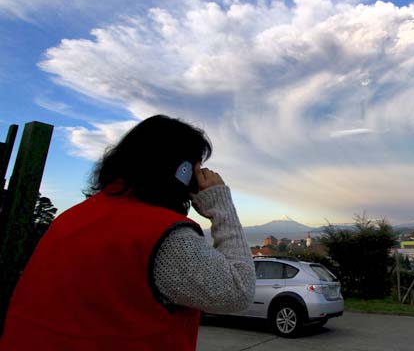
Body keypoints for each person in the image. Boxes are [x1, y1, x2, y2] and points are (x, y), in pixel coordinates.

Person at [0, 115, 255, 350]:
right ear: (183, 172)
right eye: (197, 169)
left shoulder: (70, 219)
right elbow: (238, 291)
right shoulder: (164, 235)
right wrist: (221, 207)